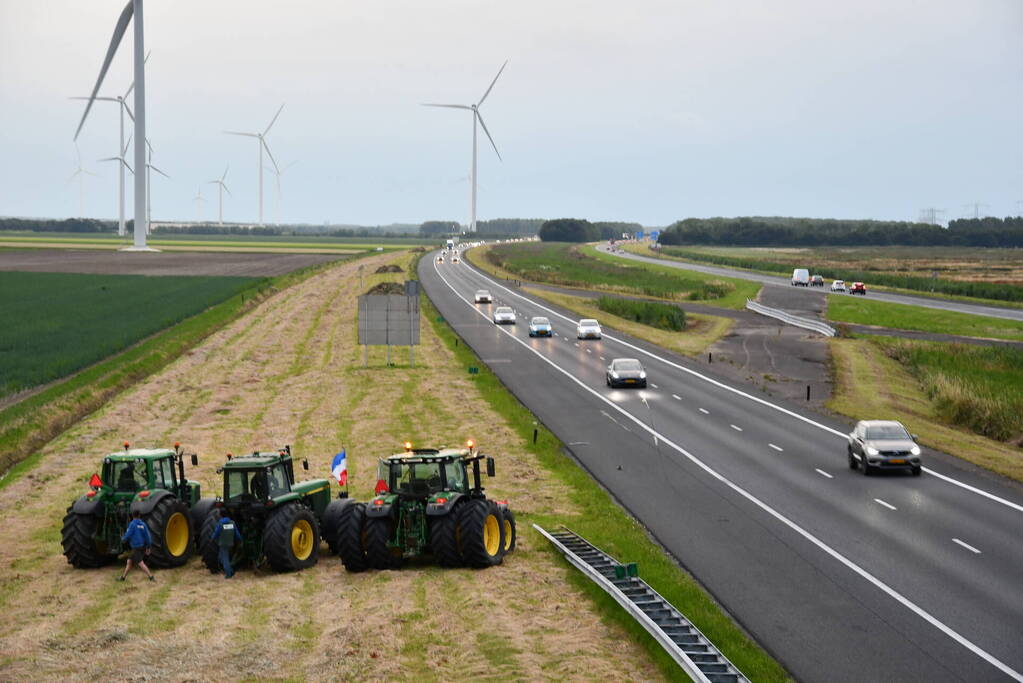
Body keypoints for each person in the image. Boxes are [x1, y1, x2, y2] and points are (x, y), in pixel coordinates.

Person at [119, 510, 154, 581]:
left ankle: (151, 577)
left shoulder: (132, 524)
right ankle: (123, 577)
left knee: (141, 563)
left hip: (136, 547)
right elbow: (147, 536)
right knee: (129, 561)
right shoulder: (143, 524)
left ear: (132, 516)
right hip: (142, 546)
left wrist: (123, 539)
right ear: (139, 515)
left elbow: (128, 535)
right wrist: (148, 547)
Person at [211, 509, 242, 578]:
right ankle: (230, 569)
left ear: (221, 515)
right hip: (230, 543)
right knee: (220, 557)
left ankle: (229, 574)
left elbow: (216, 533)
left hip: (222, 543)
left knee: (225, 559)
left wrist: (212, 539)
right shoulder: (232, 523)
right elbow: (237, 533)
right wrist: (240, 540)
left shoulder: (220, 523)